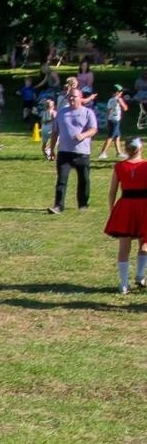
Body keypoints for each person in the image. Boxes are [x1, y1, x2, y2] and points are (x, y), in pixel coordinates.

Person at [104, 138, 147, 293]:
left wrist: (112, 210)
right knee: (144, 242)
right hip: (144, 205)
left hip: (126, 205)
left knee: (124, 247)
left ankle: (123, 284)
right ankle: (140, 274)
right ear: (141, 149)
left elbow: (112, 191)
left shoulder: (119, 166)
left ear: (127, 149)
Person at [49, 83, 98, 214]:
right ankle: (58, 206)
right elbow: (55, 132)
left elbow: (93, 129)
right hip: (64, 152)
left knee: (84, 180)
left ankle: (83, 204)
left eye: (74, 97)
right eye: (70, 97)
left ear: (80, 98)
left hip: (81, 153)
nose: (71, 99)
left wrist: (83, 135)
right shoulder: (61, 113)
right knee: (61, 180)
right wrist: (51, 149)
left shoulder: (88, 112)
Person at [98, 85, 130, 160]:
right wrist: (120, 101)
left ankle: (119, 152)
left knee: (117, 137)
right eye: (120, 92)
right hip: (114, 121)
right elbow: (125, 108)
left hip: (114, 120)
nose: (121, 93)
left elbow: (108, 111)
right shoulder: (114, 100)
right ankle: (103, 153)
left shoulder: (112, 100)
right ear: (117, 92)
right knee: (110, 137)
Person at [38, 95, 58, 162]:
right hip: (50, 128)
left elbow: (41, 121)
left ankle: (46, 155)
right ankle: (48, 149)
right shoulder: (54, 112)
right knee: (55, 140)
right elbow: (54, 119)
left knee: (44, 142)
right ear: (53, 106)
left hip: (44, 128)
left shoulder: (43, 112)